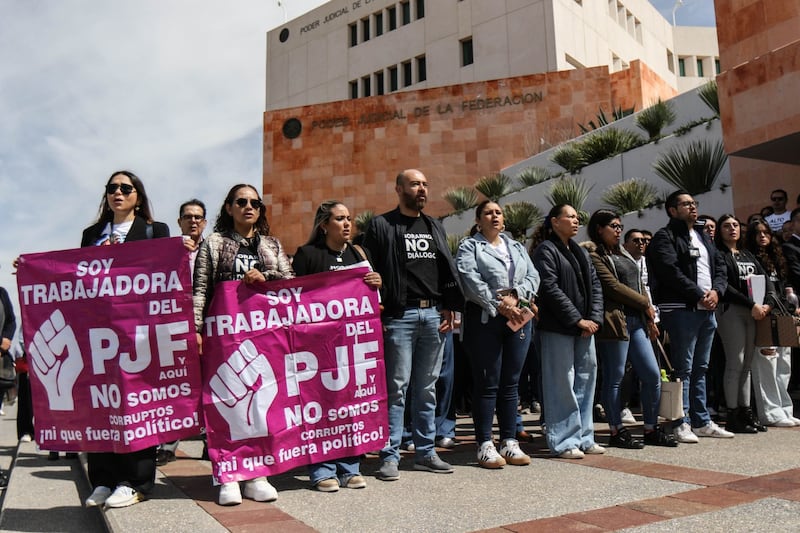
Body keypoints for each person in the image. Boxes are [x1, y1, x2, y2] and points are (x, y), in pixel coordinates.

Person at [193, 184, 293, 506]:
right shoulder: (214, 244)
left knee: (263, 402)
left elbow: (290, 283)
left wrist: (266, 274)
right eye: (241, 202)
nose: (248, 206)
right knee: (226, 400)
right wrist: (196, 329)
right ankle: (228, 475)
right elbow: (200, 290)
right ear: (229, 208)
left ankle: (258, 475)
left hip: (264, 335)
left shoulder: (272, 245)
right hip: (224, 334)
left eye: (255, 202)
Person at [362, 169, 463, 481]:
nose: (422, 189)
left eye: (425, 184)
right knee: (396, 389)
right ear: (399, 188)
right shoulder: (381, 225)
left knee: (427, 389)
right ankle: (390, 455)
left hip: (433, 315)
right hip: (399, 316)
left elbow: (445, 267)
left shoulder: (434, 225)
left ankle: (424, 452)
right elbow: (366, 267)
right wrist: (376, 294)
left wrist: (451, 305)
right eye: (415, 184)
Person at [81, 170, 171, 508]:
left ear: (138, 196)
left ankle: (136, 481)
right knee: (102, 403)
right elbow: (74, 280)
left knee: (137, 404)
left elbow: (165, 271)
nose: (118, 193)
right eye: (112, 188)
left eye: (126, 188)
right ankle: (103, 479)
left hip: (138, 333)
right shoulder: (91, 234)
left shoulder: (154, 231)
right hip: (100, 333)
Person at [292, 200, 381, 492]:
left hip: (353, 345)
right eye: (340, 219)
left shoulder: (359, 253)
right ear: (323, 225)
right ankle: (321, 469)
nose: (347, 224)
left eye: (349, 219)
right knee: (321, 407)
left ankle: (349, 467)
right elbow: (295, 299)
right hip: (317, 347)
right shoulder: (307, 255)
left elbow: (375, 299)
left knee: (351, 405)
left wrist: (377, 282)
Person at [456, 201, 540, 468]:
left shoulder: (515, 246)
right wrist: (498, 304)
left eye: (498, 212)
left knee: (511, 383)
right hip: (485, 320)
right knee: (487, 382)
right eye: (488, 213)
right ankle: (484, 443)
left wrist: (517, 299)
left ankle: (509, 441)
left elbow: (533, 276)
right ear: (478, 220)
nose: (495, 216)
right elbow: (469, 280)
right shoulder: (470, 246)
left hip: (518, 319)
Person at [585, 211, 677, 448]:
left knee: (652, 375)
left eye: (619, 226)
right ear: (598, 229)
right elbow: (612, 287)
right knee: (615, 377)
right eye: (613, 226)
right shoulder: (594, 255)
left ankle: (650, 428)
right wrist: (645, 303)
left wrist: (649, 316)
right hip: (616, 321)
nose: (618, 230)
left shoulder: (623, 252)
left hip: (638, 321)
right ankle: (616, 430)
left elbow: (639, 284)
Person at [646, 190, 732, 443]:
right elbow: (669, 271)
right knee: (682, 368)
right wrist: (698, 294)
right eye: (685, 204)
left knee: (701, 368)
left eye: (694, 203)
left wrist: (717, 291)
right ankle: (679, 422)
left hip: (707, 310)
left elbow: (720, 269)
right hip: (682, 309)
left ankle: (701, 420)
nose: (692, 208)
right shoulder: (665, 237)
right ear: (672, 210)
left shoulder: (704, 236)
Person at [530, 204, 604, 459]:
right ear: (554, 221)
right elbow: (549, 288)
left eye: (577, 217)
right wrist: (576, 320)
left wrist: (593, 318)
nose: (576, 221)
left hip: (585, 327)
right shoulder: (545, 251)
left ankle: (585, 436)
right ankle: (563, 440)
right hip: (557, 326)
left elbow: (595, 285)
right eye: (570, 217)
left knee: (586, 378)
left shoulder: (579, 251)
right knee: (561, 382)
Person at [157, 199, 208, 467]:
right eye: (188, 217)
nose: (193, 221)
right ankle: (168, 444)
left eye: (198, 217)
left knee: (209, 384)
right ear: (179, 222)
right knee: (175, 384)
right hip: (173, 326)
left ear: (205, 222)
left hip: (206, 326)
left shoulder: (213, 249)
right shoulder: (166, 251)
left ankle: (209, 441)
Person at [714, 214, 772, 433]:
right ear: (720, 231)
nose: (732, 229)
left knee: (747, 364)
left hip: (754, 312)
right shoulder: (718, 255)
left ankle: (746, 411)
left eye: (736, 225)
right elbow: (725, 286)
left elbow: (765, 279)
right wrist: (751, 304)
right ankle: (731, 414)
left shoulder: (747, 254)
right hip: (732, 311)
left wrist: (766, 305)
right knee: (735, 362)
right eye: (727, 226)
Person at [745, 219, 799, 427]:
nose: (762, 236)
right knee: (766, 364)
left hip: (782, 314)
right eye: (757, 233)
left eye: (766, 232)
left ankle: (785, 408)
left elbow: (785, 287)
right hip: (764, 315)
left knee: (784, 363)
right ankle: (770, 412)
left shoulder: (777, 258)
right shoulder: (750, 258)